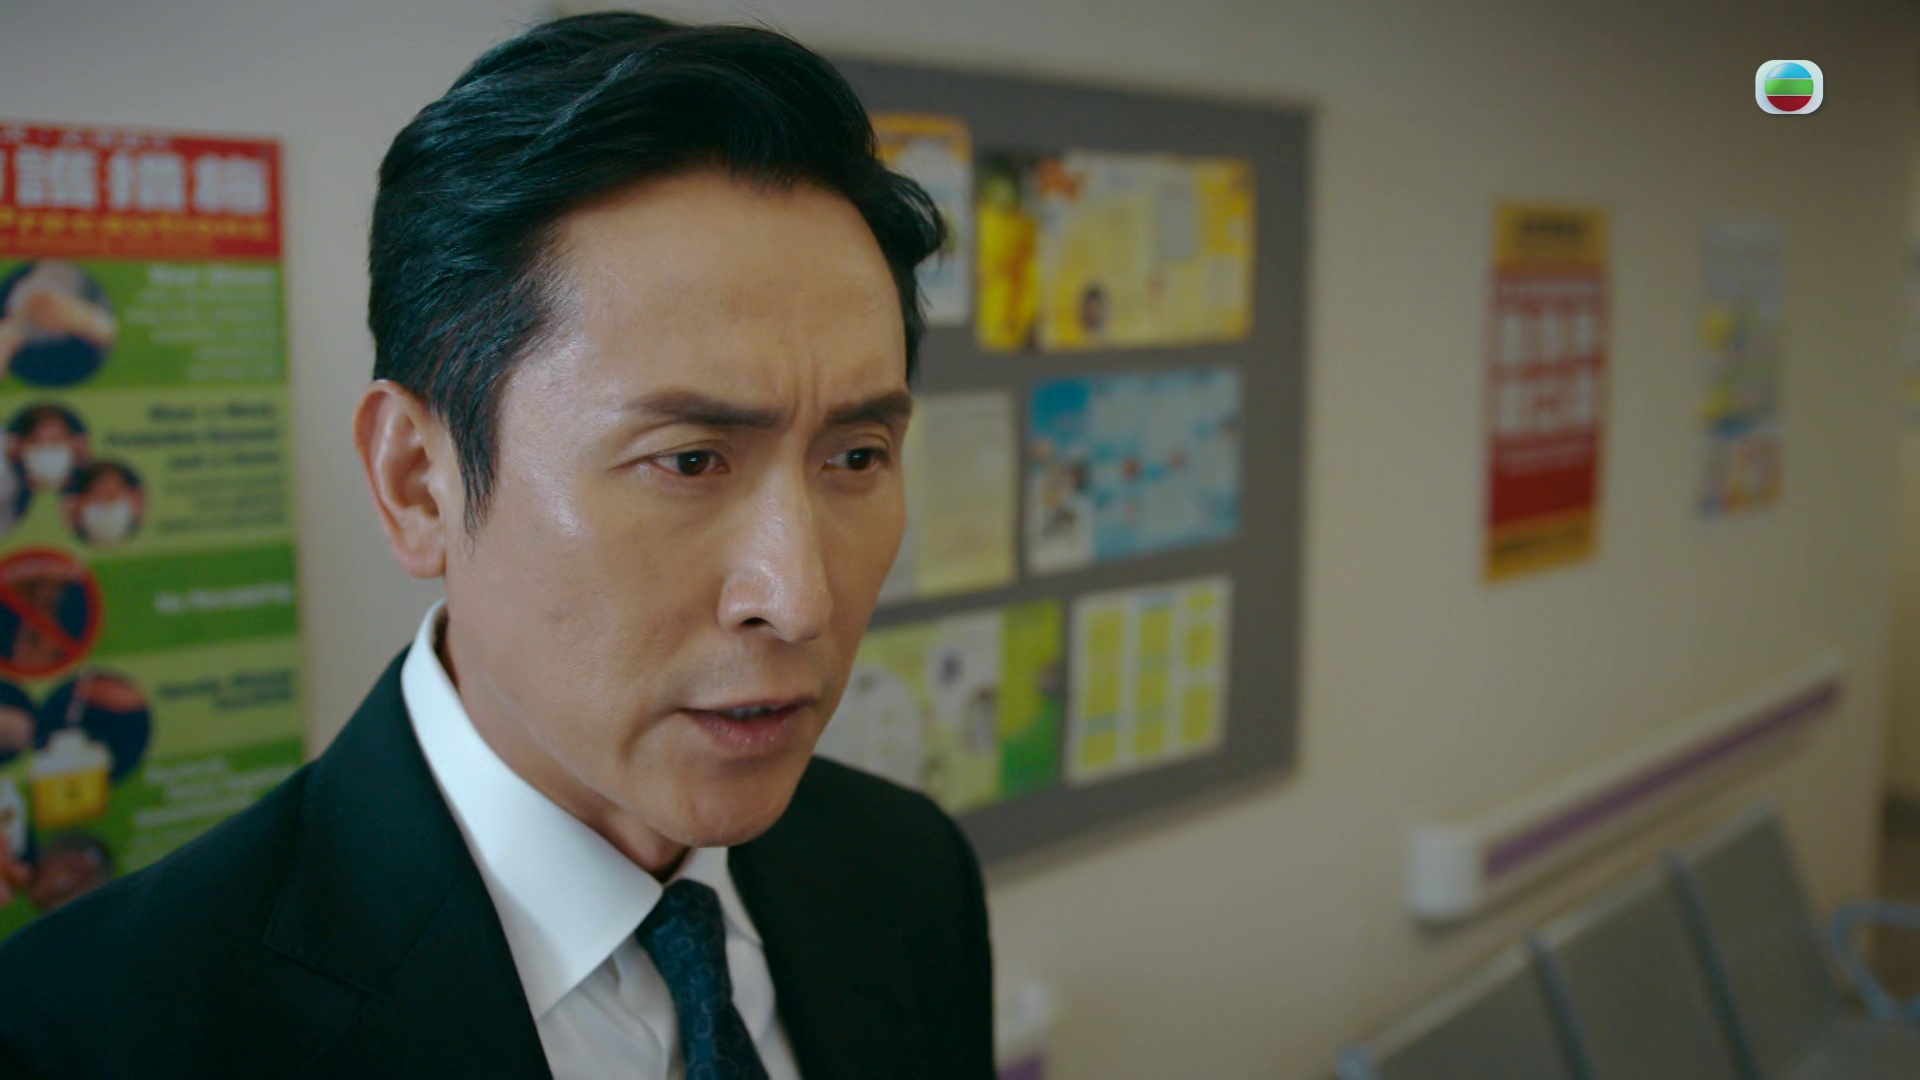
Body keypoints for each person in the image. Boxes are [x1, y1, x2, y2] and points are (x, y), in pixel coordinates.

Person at [0, 12, 993, 1080]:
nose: (798, 598)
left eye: (855, 457)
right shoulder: (94, 1033)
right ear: (416, 481)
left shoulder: (906, 872)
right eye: (690, 460)